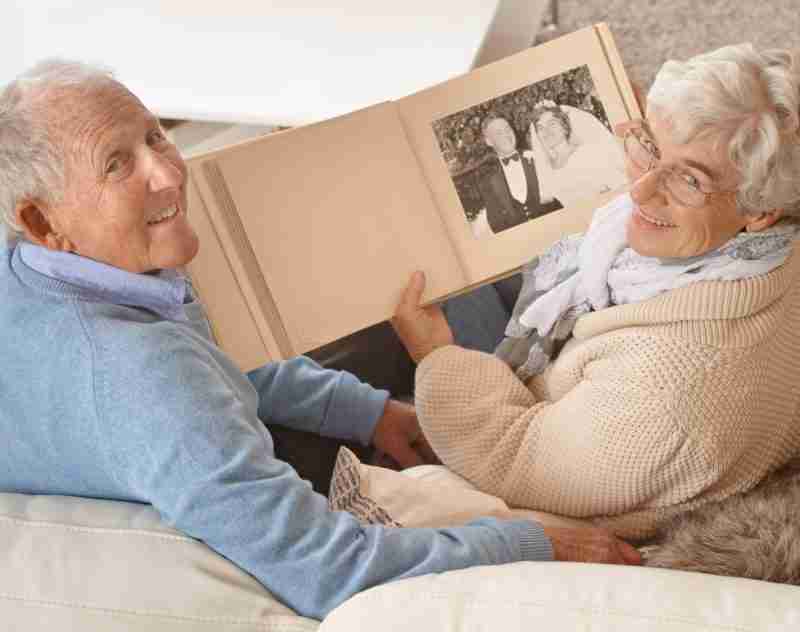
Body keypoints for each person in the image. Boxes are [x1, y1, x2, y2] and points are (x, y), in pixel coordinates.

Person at [0, 60, 641, 621]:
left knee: (440, 302)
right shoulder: (142, 379)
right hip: (262, 490)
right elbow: (330, 570)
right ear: (40, 220)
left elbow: (210, 362)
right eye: (117, 165)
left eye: (155, 136)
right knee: (451, 311)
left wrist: (370, 412)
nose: (168, 173)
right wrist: (530, 542)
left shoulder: (58, 265)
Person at [393, 43, 800, 542]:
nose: (640, 191)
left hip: (541, 478)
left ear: (759, 211)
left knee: (414, 284)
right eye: (651, 146)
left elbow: (517, 458)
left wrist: (433, 355)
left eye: (689, 180)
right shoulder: (768, 247)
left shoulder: (671, 390)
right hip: (572, 377)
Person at [527, 100, 628, 207]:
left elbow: (620, 184)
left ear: (564, 126)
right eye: (540, 128)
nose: (546, 131)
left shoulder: (587, 153)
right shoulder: (547, 169)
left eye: (552, 123)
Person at [475, 115, 561, 234]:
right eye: (499, 133)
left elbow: (561, 196)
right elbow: (496, 222)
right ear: (489, 141)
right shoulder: (487, 178)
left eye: (508, 129)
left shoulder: (537, 157)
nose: (506, 135)